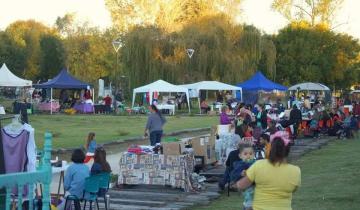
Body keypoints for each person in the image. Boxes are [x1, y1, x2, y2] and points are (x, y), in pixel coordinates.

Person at [237, 131, 301, 210]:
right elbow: (293, 190)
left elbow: (241, 185)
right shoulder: (295, 171)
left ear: (272, 148)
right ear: (288, 150)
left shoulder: (259, 165)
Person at [230, 144, 256, 210]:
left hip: (256, 189)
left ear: (254, 154)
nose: (248, 156)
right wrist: (240, 174)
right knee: (248, 204)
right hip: (247, 189)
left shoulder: (256, 164)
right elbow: (233, 175)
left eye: (251, 154)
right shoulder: (239, 165)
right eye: (245, 154)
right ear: (240, 156)